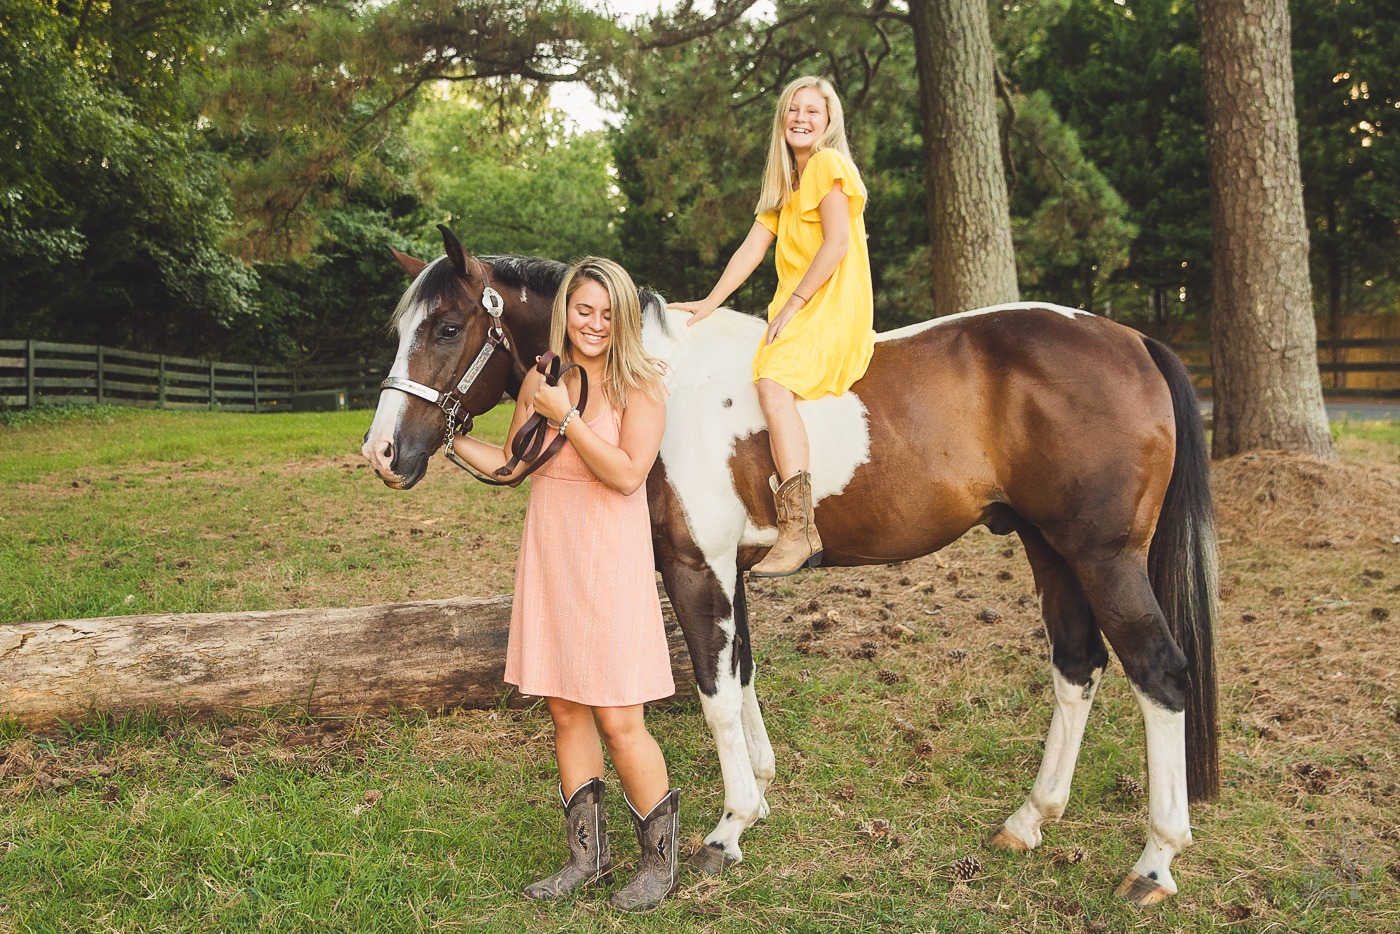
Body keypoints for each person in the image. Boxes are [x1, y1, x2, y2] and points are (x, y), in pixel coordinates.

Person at [448, 257, 678, 913]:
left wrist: (567, 417)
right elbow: (513, 466)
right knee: (566, 709)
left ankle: (659, 866)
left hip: (609, 560)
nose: (596, 324)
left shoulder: (642, 385)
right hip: (551, 554)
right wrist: (451, 440)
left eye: (609, 313)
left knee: (618, 716)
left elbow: (629, 474)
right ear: (565, 314)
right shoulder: (543, 379)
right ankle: (589, 856)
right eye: (584, 310)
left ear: (624, 319)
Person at [669, 75, 875, 577]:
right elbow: (751, 250)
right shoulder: (787, 184)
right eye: (793, 110)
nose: (801, 119)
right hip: (804, 302)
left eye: (813, 112)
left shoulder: (827, 165)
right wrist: (710, 303)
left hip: (831, 302)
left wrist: (795, 302)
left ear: (829, 124)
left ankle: (799, 528)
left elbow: (837, 244)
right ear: (783, 120)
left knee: (773, 385)